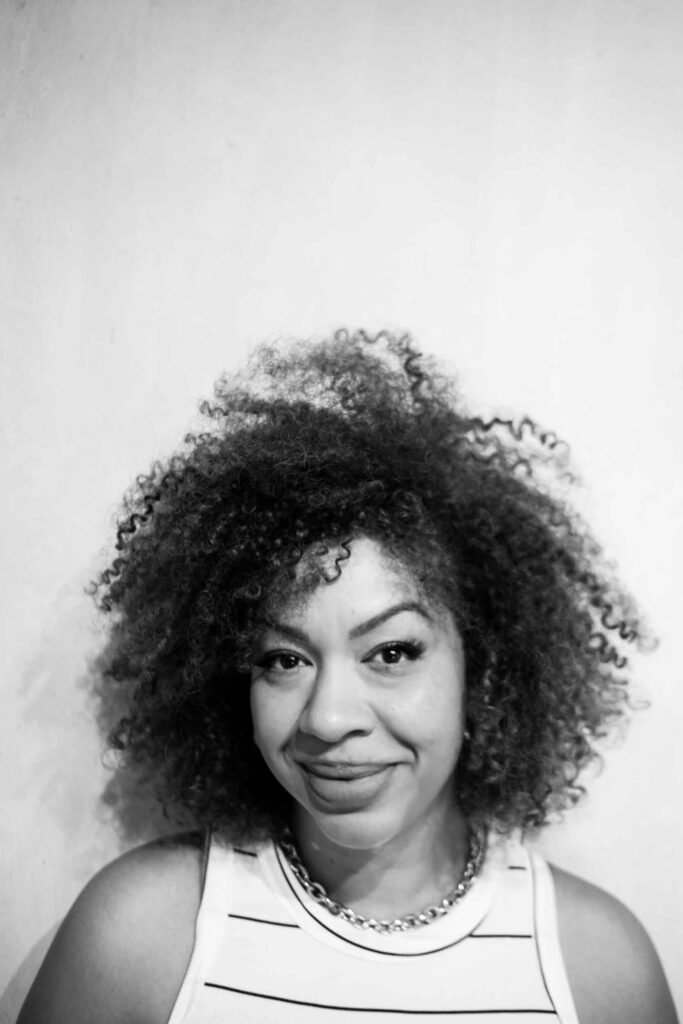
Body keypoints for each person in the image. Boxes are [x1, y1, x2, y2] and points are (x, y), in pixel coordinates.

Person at [18, 331, 677, 1024]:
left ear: (483, 668)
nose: (327, 719)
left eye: (390, 653)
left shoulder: (598, 969)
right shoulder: (141, 938)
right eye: (284, 660)